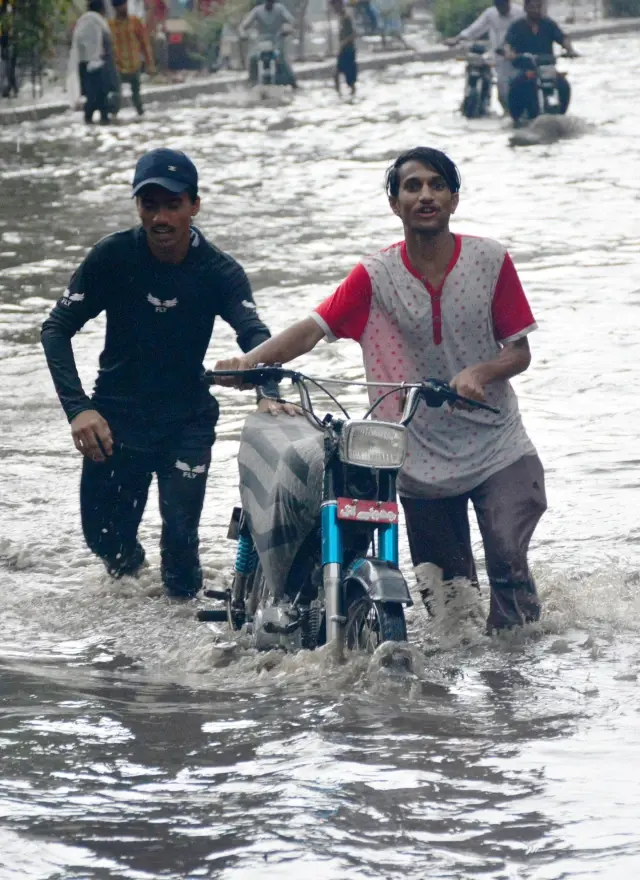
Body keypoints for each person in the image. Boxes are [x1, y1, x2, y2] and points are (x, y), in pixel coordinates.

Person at [214, 147, 547, 632]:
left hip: (498, 444)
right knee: (450, 605)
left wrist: (482, 371)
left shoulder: (490, 260)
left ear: (454, 199)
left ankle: (517, 682)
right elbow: (311, 329)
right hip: (416, 455)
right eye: (412, 186)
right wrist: (248, 363)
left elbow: (519, 352)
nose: (425, 195)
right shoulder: (374, 276)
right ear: (395, 203)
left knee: (507, 560)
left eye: (437, 185)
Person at [41, 149, 293, 600]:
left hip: (186, 421)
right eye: (149, 204)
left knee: (180, 549)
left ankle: (187, 648)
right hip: (114, 422)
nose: (160, 217)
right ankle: (129, 620)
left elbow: (254, 335)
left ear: (194, 206)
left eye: (172, 205)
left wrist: (264, 387)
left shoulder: (219, 270)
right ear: (137, 206)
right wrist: (79, 410)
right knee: (108, 545)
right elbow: (55, 330)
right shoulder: (113, 256)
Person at [504, 0, 576, 123]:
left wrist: (569, 49)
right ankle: (516, 117)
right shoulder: (517, 26)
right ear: (526, 8)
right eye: (532, 7)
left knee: (563, 84)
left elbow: (563, 38)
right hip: (526, 69)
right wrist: (509, 53)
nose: (536, 10)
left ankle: (562, 115)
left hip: (547, 68)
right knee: (516, 84)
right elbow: (508, 43)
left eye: (538, 7)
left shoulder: (549, 24)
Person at [445, 0, 524, 110]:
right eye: (498, 5)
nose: (501, 8)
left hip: (517, 56)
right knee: (502, 90)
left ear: (508, 2)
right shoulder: (490, 14)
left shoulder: (519, 13)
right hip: (499, 56)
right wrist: (457, 39)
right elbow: (475, 28)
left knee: (519, 85)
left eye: (504, 5)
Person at [69, 0, 120, 124]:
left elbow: (75, 46)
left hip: (84, 66)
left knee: (90, 99)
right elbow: (108, 46)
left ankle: (89, 120)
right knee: (102, 100)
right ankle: (103, 120)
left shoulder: (81, 22)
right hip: (101, 66)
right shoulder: (101, 23)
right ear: (102, 10)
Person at [109, 0, 155, 117]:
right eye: (121, 6)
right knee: (116, 98)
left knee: (137, 99)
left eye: (125, 5)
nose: (124, 8)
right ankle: (113, 120)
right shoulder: (110, 25)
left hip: (134, 65)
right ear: (115, 8)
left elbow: (145, 44)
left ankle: (141, 117)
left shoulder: (135, 22)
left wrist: (150, 64)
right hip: (117, 67)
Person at [238, 0, 298, 88]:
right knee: (252, 58)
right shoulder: (257, 11)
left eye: (271, 1)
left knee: (282, 60)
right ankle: (252, 81)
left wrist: (288, 30)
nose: (269, 3)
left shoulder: (280, 9)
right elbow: (243, 26)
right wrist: (243, 34)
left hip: (276, 41)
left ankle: (292, 82)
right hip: (261, 43)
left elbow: (292, 21)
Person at [332, 0, 357, 97]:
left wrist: (343, 43)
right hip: (343, 50)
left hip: (348, 50)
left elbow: (353, 33)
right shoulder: (341, 18)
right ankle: (339, 93)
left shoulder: (347, 18)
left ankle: (350, 92)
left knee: (348, 75)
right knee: (337, 73)